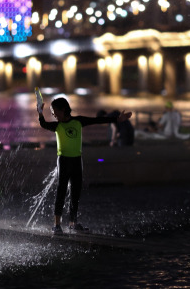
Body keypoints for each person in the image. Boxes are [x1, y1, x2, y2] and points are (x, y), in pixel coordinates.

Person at [38, 96, 131, 235]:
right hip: (63, 160)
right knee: (61, 191)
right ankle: (57, 225)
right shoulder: (57, 125)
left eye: (54, 111)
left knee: (75, 192)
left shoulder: (78, 121)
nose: (53, 114)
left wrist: (117, 119)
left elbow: (97, 120)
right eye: (51, 112)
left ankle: (73, 223)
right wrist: (40, 112)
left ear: (63, 109)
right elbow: (43, 124)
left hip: (77, 161)